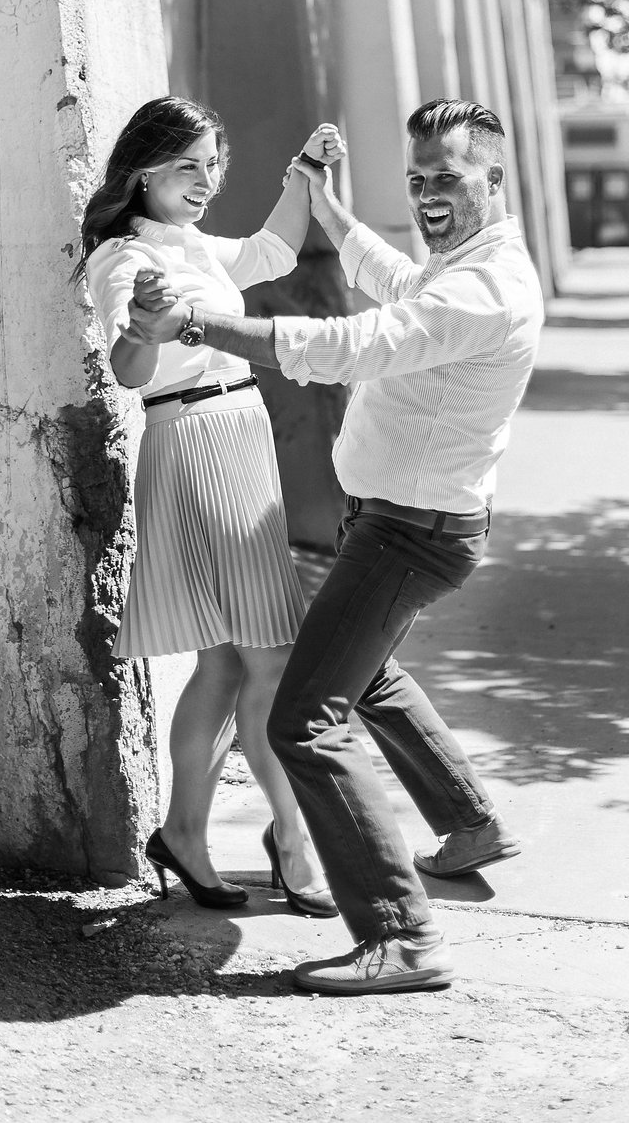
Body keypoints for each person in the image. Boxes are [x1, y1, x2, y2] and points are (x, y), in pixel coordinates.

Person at [125, 98, 544, 994]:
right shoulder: (465, 265)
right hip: (403, 520)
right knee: (368, 672)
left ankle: (401, 935)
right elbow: (398, 283)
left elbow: (351, 344)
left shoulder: (485, 290)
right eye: (418, 178)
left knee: (304, 722)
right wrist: (327, 208)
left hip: (409, 533)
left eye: (449, 178)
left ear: (495, 177)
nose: (428, 195)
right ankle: (471, 824)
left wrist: (194, 326)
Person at [79, 95, 345, 918]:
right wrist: (145, 329)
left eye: (214, 164)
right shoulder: (125, 259)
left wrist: (305, 174)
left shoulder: (191, 244)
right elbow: (127, 371)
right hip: (196, 438)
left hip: (237, 434)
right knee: (271, 660)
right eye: (188, 165)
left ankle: (184, 833)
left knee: (226, 663)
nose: (206, 179)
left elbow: (272, 249)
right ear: (143, 171)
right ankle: (296, 844)